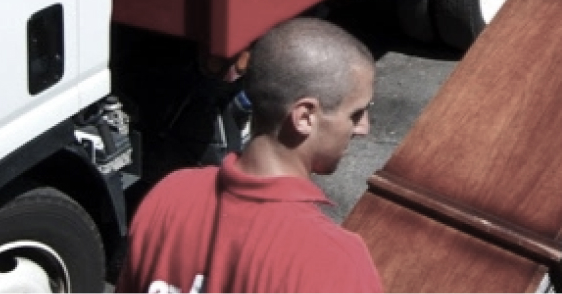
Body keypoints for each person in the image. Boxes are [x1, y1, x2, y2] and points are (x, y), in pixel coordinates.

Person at [120, 18, 383, 293]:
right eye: (355, 114)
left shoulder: (169, 195)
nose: (365, 127)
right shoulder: (335, 263)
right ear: (305, 117)